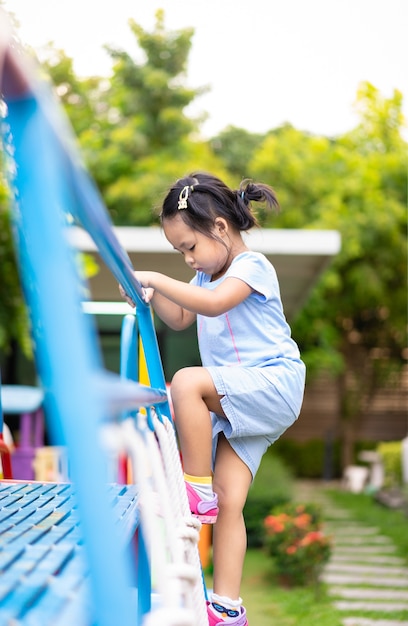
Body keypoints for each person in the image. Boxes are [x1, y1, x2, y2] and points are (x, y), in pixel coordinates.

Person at [120, 172, 306, 626]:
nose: (187, 259)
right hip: (246, 401)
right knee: (229, 501)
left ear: (221, 227)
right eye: (179, 252)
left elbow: (216, 304)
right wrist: (151, 296)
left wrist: (155, 276)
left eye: (189, 246)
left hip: (271, 383)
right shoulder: (205, 275)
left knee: (185, 383)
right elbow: (183, 316)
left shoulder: (251, 267)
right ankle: (227, 605)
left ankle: (194, 486)